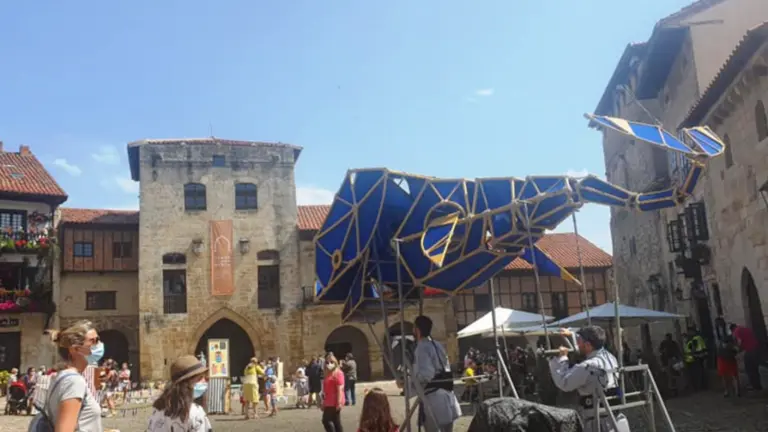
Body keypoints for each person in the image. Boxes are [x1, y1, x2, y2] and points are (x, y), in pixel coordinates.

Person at [28, 320, 103, 432]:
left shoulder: (61, 377)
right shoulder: (74, 381)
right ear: (75, 349)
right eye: (93, 341)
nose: (99, 344)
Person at [549, 326, 625, 432]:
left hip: (598, 421)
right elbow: (587, 340)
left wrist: (562, 358)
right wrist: (571, 334)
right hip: (614, 415)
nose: (577, 344)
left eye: (579, 341)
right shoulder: (611, 357)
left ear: (588, 345)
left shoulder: (588, 366)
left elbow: (564, 383)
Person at [400, 315, 461, 432]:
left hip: (435, 400)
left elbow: (425, 376)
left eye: (414, 328)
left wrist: (408, 381)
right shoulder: (437, 344)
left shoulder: (422, 347)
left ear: (417, 330)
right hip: (448, 395)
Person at [146, 355, 212, 432]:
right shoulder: (195, 412)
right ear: (186, 383)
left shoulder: (158, 410)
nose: (204, 382)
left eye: (205, 378)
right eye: (200, 378)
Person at [730, 323, 763, 391]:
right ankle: (758, 385)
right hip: (756, 348)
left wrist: (737, 350)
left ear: (732, 329)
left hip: (750, 350)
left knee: (749, 368)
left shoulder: (736, 331)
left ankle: (754, 386)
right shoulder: (745, 328)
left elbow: (740, 341)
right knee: (755, 368)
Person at [321, 353, 345, 432]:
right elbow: (325, 390)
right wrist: (323, 402)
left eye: (331, 362)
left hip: (334, 401)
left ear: (335, 363)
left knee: (326, 420)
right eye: (327, 362)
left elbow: (340, 389)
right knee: (336, 421)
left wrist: (338, 402)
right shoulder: (327, 374)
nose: (329, 364)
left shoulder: (338, 373)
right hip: (328, 401)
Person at [716, 333, 741, 397]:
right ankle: (737, 391)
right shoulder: (731, 345)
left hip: (722, 360)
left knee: (725, 377)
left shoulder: (720, 345)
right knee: (734, 376)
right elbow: (737, 350)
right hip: (730, 360)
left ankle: (727, 391)